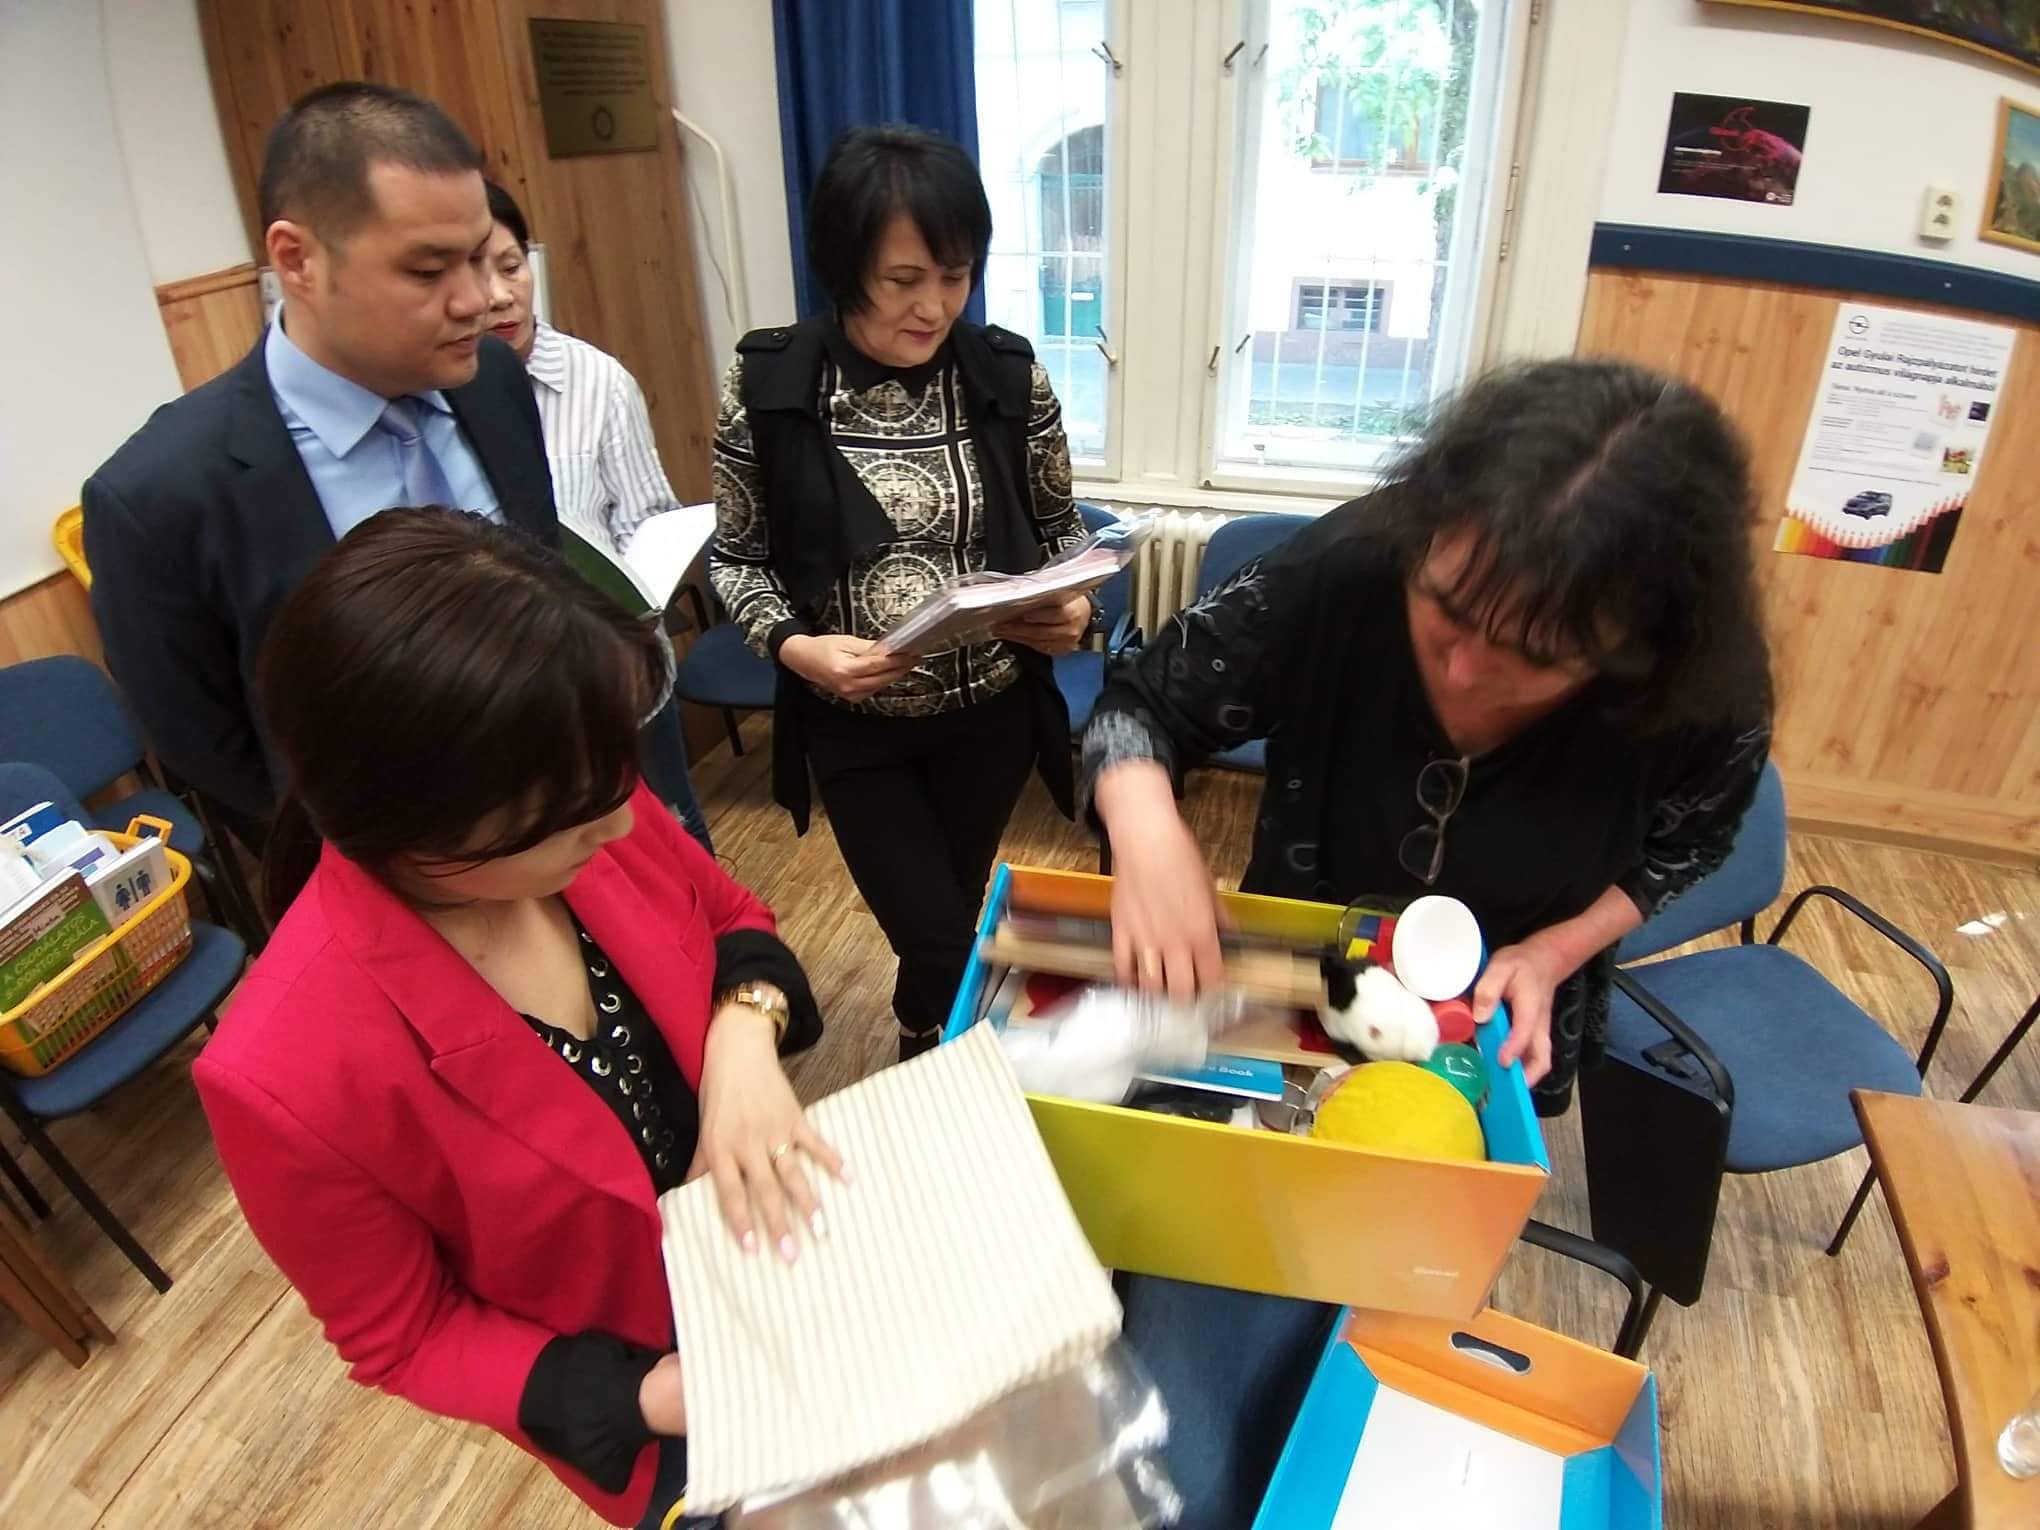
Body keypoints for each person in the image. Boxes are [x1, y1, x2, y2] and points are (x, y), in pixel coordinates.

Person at [1087, 359, 1774, 1526]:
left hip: (1489, 1030)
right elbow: (1137, 704)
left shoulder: (1704, 688)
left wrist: (1560, 948)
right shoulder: (1353, 565)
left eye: (1535, 657)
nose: (1463, 671)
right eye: (1446, 610)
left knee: (1387, 1326)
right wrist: (1147, 824)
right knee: (1204, 1372)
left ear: (1634, 651)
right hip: (1291, 1009)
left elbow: (1690, 843)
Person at [195, 510, 836, 1530]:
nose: (623, 821)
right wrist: (648, 1398)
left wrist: (743, 1037)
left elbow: (731, 919)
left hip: (793, 1267)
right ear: (422, 828)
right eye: (574, 814)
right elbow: (405, 1334)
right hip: (666, 1398)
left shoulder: (573, 796)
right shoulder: (285, 1071)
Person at [80, 82, 555, 844]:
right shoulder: (159, 497)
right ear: (297, 259)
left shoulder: (494, 380)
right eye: (428, 271)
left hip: (562, 812)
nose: (477, 299)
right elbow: (206, 746)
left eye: (479, 257)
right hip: (375, 867)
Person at [709, 125, 1092, 1062]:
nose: (935, 307)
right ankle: (972, 1061)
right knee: (937, 930)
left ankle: (922, 1032)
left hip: (991, 716)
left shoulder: (1007, 374)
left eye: (956, 276)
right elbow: (737, 559)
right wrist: (797, 648)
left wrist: (1077, 608)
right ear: (845, 268)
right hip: (855, 723)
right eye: (904, 280)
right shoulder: (770, 381)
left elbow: (1063, 534)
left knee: (951, 907)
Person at [479, 177, 712, 853]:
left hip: (616, 670)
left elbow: (648, 518)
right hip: (506, 693)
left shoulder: (597, 381)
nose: (500, 295)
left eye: (512, 266)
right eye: (473, 273)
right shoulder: (438, 395)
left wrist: (629, 595)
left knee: (670, 835)